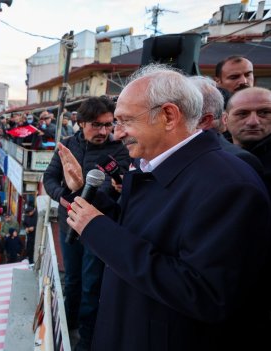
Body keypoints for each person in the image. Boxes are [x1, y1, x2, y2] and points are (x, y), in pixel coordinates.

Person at [63, 64, 271, 350]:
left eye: (125, 121)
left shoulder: (230, 186)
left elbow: (204, 293)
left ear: (169, 116)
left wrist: (97, 228)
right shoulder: (155, 166)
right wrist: (89, 199)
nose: (117, 134)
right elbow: (140, 232)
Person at [43, 95, 130, 350]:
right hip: (69, 221)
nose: (104, 131)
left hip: (97, 226)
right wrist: (63, 197)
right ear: (81, 123)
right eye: (97, 125)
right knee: (72, 279)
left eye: (108, 124)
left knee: (92, 283)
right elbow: (49, 179)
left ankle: (86, 339)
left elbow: (112, 193)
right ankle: (67, 325)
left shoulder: (119, 150)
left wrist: (93, 188)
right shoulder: (68, 145)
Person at [222, 87, 271, 192]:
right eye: (242, 114)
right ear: (225, 119)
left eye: (264, 113)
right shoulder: (211, 154)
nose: (253, 122)